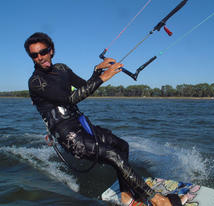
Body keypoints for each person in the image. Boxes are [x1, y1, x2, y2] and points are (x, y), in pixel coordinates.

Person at [24, 32, 187, 206]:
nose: (40, 57)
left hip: (81, 125)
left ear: (51, 50)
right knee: (113, 154)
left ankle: (126, 195)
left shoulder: (62, 69)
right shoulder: (35, 82)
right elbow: (69, 99)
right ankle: (158, 201)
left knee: (122, 146)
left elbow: (83, 86)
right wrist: (103, 77)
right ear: (32, 58)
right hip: (67, 135)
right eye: (35, 55)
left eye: (43, 51)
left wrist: (97, 71)